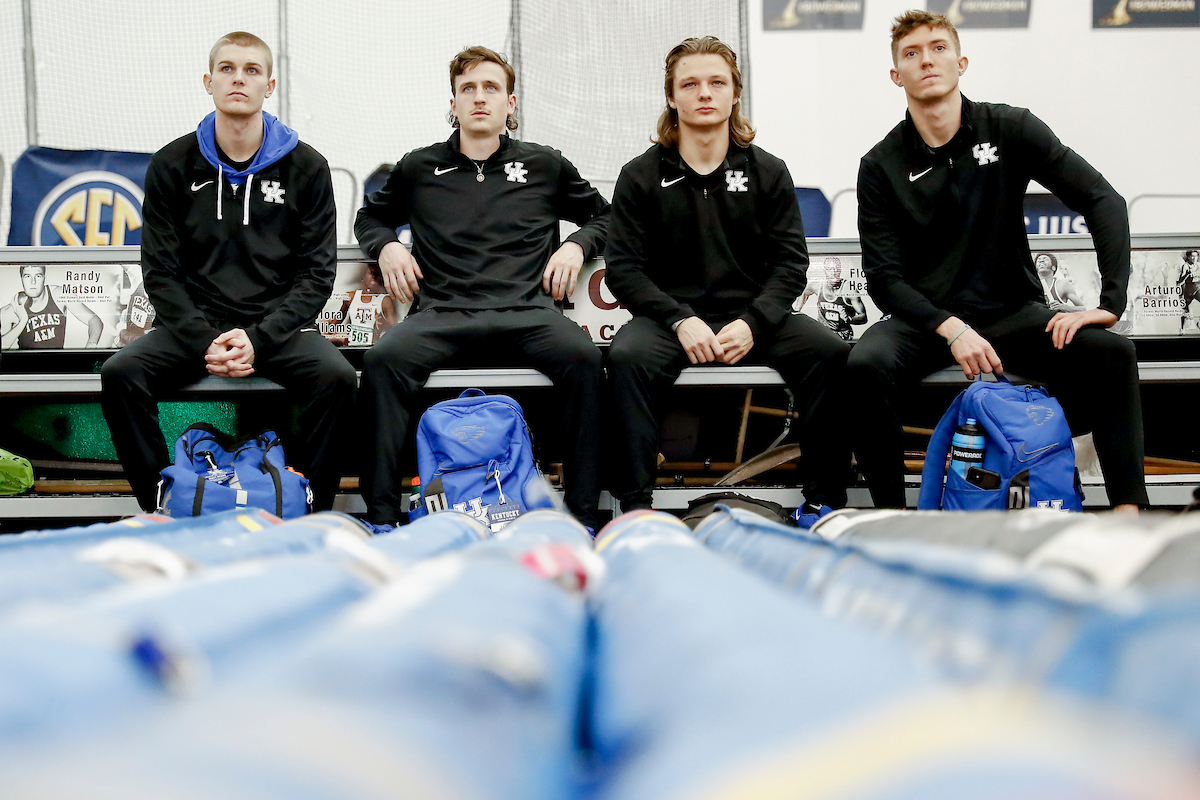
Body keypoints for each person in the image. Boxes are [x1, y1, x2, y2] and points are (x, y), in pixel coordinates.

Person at [848, 10, 1146, 511]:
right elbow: (883, 277)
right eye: (912, 53)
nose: (927, 60)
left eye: (939, 48)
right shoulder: (880, 165)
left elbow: (1103, 201)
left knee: (1113, 355)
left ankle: (1128, 513)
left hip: (1012, 314)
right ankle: (891, 516)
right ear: (896, 75)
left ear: (961, 62)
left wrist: (1111, 301)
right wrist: (952, 328)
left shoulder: (1009, 128)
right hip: (928, 325)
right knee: (864, 364)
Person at [354, 45, 609, 530]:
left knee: (584, 360)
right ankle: (383, 517)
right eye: (467, 89)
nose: (479, 98)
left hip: (527, 314)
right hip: (442, 314)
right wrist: (387, 245)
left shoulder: (546, 164)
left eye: (491, 88)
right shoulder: (418, 167)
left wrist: (577, 244)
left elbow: (609, 216)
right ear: (453, 103)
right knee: (381, 363)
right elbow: (369, 216)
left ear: (510, 104)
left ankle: (580, 518)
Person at [101, 31, 355, 512]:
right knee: (121, 374)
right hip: (193, 327)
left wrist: (259, 337)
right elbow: (159, 273)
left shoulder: (307, 166)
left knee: (338, 379)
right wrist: (203, 341)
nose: (239, 79)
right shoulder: (172, 164)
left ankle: (309, 509)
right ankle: (161, 503)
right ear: (209, 81)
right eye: (228, 69)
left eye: (251, 70)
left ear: (270, 85)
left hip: (275, 328)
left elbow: (317, 274)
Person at [604, 36, 851, 522]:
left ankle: (824, 504)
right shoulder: (639, 176)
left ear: (735, 93)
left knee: (830, 354)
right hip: (673, 323)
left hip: (752, 319)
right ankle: (636, 511)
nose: (704, 93)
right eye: (690, 84)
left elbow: (790, 265)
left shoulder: (767, 171)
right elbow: (624, 271)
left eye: (717, 82)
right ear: (672, 97)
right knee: (628, 357)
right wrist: (679, 321)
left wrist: (754, 323)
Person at [1, 265, 103, 349]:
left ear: (44, 278)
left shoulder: (59, 295)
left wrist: (91, 343)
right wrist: (23, 321)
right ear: (21, 279)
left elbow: (94, 320)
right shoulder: (10, 310)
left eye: (38, 276)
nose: (33, 282)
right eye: (27, 276)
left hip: (57, 368)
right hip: (27, 370)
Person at [794, 256, 868, 340]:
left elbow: (863, 317)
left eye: (836, 269)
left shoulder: (849, 289)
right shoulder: (817, 285)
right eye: (829, 269)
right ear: (824, 270)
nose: (833, 272)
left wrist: (849, 319)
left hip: (843, 334)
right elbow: (804, 293)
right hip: (823, 332)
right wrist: (796, 312)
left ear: (840, 270)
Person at [1179, 249, 1199, 333]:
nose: (1194, 258)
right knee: (1185, 310)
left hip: (1197, 288)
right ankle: (1182, 329)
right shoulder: (1186, 266)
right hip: (1188, 291)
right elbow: (1180, 281)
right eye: (1192, 256)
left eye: (1196, 256)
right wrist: (1187, 274)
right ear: (1188, 257)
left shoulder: (1198, 265)